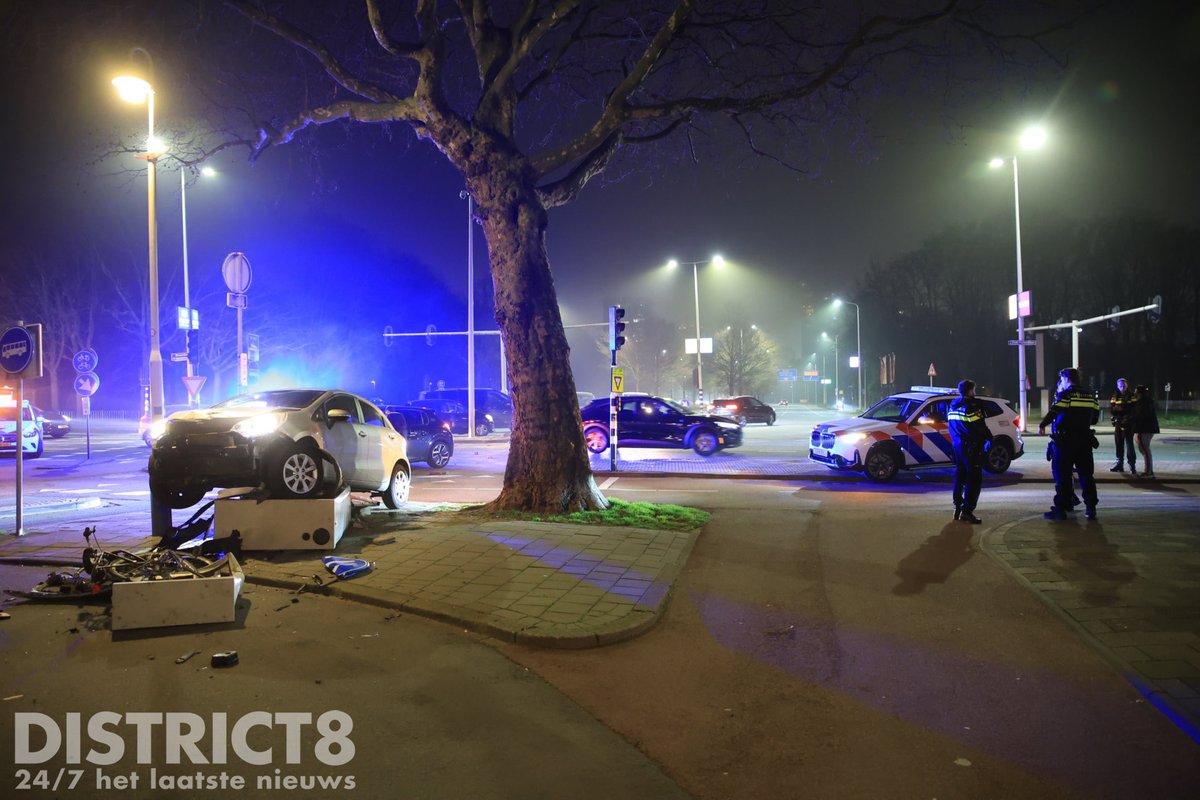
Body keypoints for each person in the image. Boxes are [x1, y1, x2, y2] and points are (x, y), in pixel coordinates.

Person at [1038, 367, 1100, 521]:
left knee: (1063, 476)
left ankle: (1060, 509)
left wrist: (1042, 425)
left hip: (1065, 442)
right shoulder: (1090, 396)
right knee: (1086, 475)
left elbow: (1053, 412)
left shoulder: (1065, 395)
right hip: (1084, 441)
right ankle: (1090, 508)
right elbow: (1094, 419)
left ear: (1067, 379)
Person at [947, 379, 994, 524]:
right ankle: (967, 511)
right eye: (974, 389)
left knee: (959, 477)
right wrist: (990, 439)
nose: (975, 392)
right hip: (972, 448)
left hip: (958, 447)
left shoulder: (952, 406)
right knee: (973, 480)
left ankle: (957, 508)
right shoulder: (972, 408)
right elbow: (980, 427)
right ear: (969, 391)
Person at [1129, 384, 1160, 479]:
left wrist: (1130, 419)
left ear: (1139, 393)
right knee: (1144, 449)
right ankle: (1148, 471)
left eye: (1136, 392)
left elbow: (1140, 415)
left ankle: (1149, 472)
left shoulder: (1143, 402)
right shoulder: (1146, 401)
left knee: (1145, 450)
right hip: (1146, 428)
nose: (1135, 394)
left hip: (1144, 429)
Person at [1108, 377, 1137, 475]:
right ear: (1117, 386)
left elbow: (1133, 409)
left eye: (1124, 385)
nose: (1122, 387)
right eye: (1120, 385)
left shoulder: (1132, 395)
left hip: (1128, 423)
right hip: (1118, 423)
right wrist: (1118, 410)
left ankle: (1132, 465)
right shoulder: (1115, 396)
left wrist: (1121, 408)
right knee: (1119, 444)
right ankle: (1119, 464)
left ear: (1127, 385)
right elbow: (1112, 409)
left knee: (1129, 444)